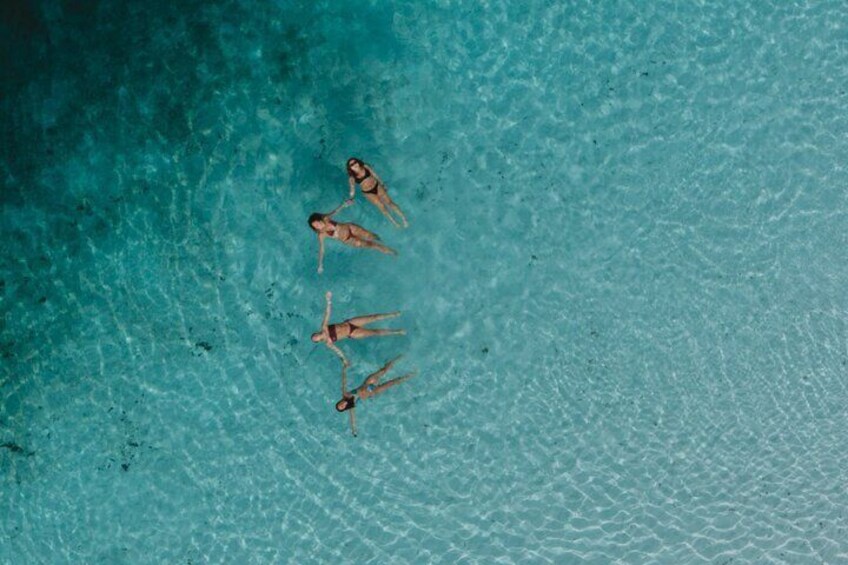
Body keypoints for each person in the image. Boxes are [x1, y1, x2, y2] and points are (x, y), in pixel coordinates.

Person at [311, 291, 405, 367]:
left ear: (316, 332)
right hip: (353, 333)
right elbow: (338, 351)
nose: (317, 335)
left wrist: (328, 300)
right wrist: (345, 360)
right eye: (316, 338)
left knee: (373, 317)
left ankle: (393, 314)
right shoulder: (328, 342)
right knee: (375, 332)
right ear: (319, 341)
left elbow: (327, 313)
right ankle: (397, 331)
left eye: (315, 334)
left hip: (350, 323)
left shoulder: (324, 327)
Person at [336, 356, 416, 436]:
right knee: (393, 382)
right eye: (342, 407)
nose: (342, 405)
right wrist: (354, 430)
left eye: (340, 404)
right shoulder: (351, 406)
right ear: (344, 408)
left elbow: (344, 382)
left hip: (368, 384)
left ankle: (400, 357)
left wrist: (344, 368)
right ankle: (411, 375)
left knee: (383, 370)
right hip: (373, 392)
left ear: (340, 401)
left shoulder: (346, 395)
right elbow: (352, 419)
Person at [308, 201, 396, 274]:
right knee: (371, 245)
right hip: (348, 240)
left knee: (370, 235)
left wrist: (344, 204)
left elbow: (335, 211)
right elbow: (322, 250)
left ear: (319, 219)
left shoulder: (326, 218)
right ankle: (390, 251)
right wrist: (320, 265)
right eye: (315, 226)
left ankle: (384, 240)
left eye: (317, 223)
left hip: (351, 228)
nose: (318, 226)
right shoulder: (321, 234)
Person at [346, 157, 409, 228]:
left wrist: (382, 183)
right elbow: (352, 190)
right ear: (350, 168)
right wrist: (351, 198)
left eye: (355, 162)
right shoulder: (352, 178)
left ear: (358, 162)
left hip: (377, 186)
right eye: (351, 164)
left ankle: (404, 218)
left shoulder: (365, 166)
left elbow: (374, 174)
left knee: (390, 203)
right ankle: (394, 222)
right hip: (368, 193)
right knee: (382, 207)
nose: (354, 164)